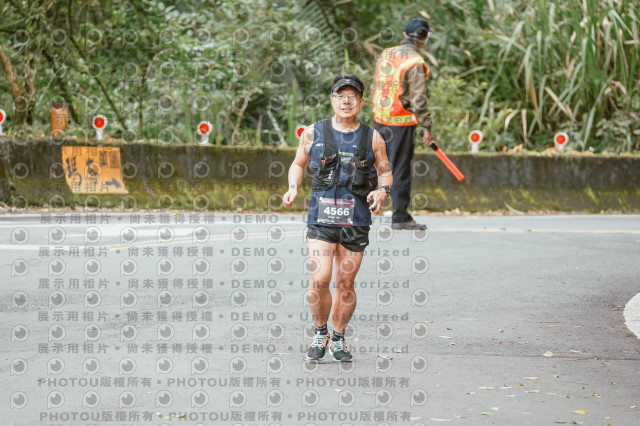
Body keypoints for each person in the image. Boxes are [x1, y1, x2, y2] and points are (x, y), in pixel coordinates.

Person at [283, 73, 392, 362]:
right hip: (321, 220)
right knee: (320, 279)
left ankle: (339, 338)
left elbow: (385, 171)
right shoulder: (313, 133)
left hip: (356, 221)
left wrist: (382, 191)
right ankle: (321, 333)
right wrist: (293, 187)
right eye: (340, 96)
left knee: (345, 283)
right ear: (332, 100)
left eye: (352, 96)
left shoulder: (373, 137)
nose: (346, 101)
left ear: (360, 102)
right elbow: (298, 163)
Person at [372, 18, 435, 231]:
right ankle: (399, 216)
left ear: (405, 34)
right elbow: (419, 98)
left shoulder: (387, 54)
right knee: (399, 168)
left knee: (375, 164)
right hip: (401, 122)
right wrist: (426, 125)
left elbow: (377, 84)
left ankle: (359, 208)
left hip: (380, 118)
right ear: (423, 39)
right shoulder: (415, 62)